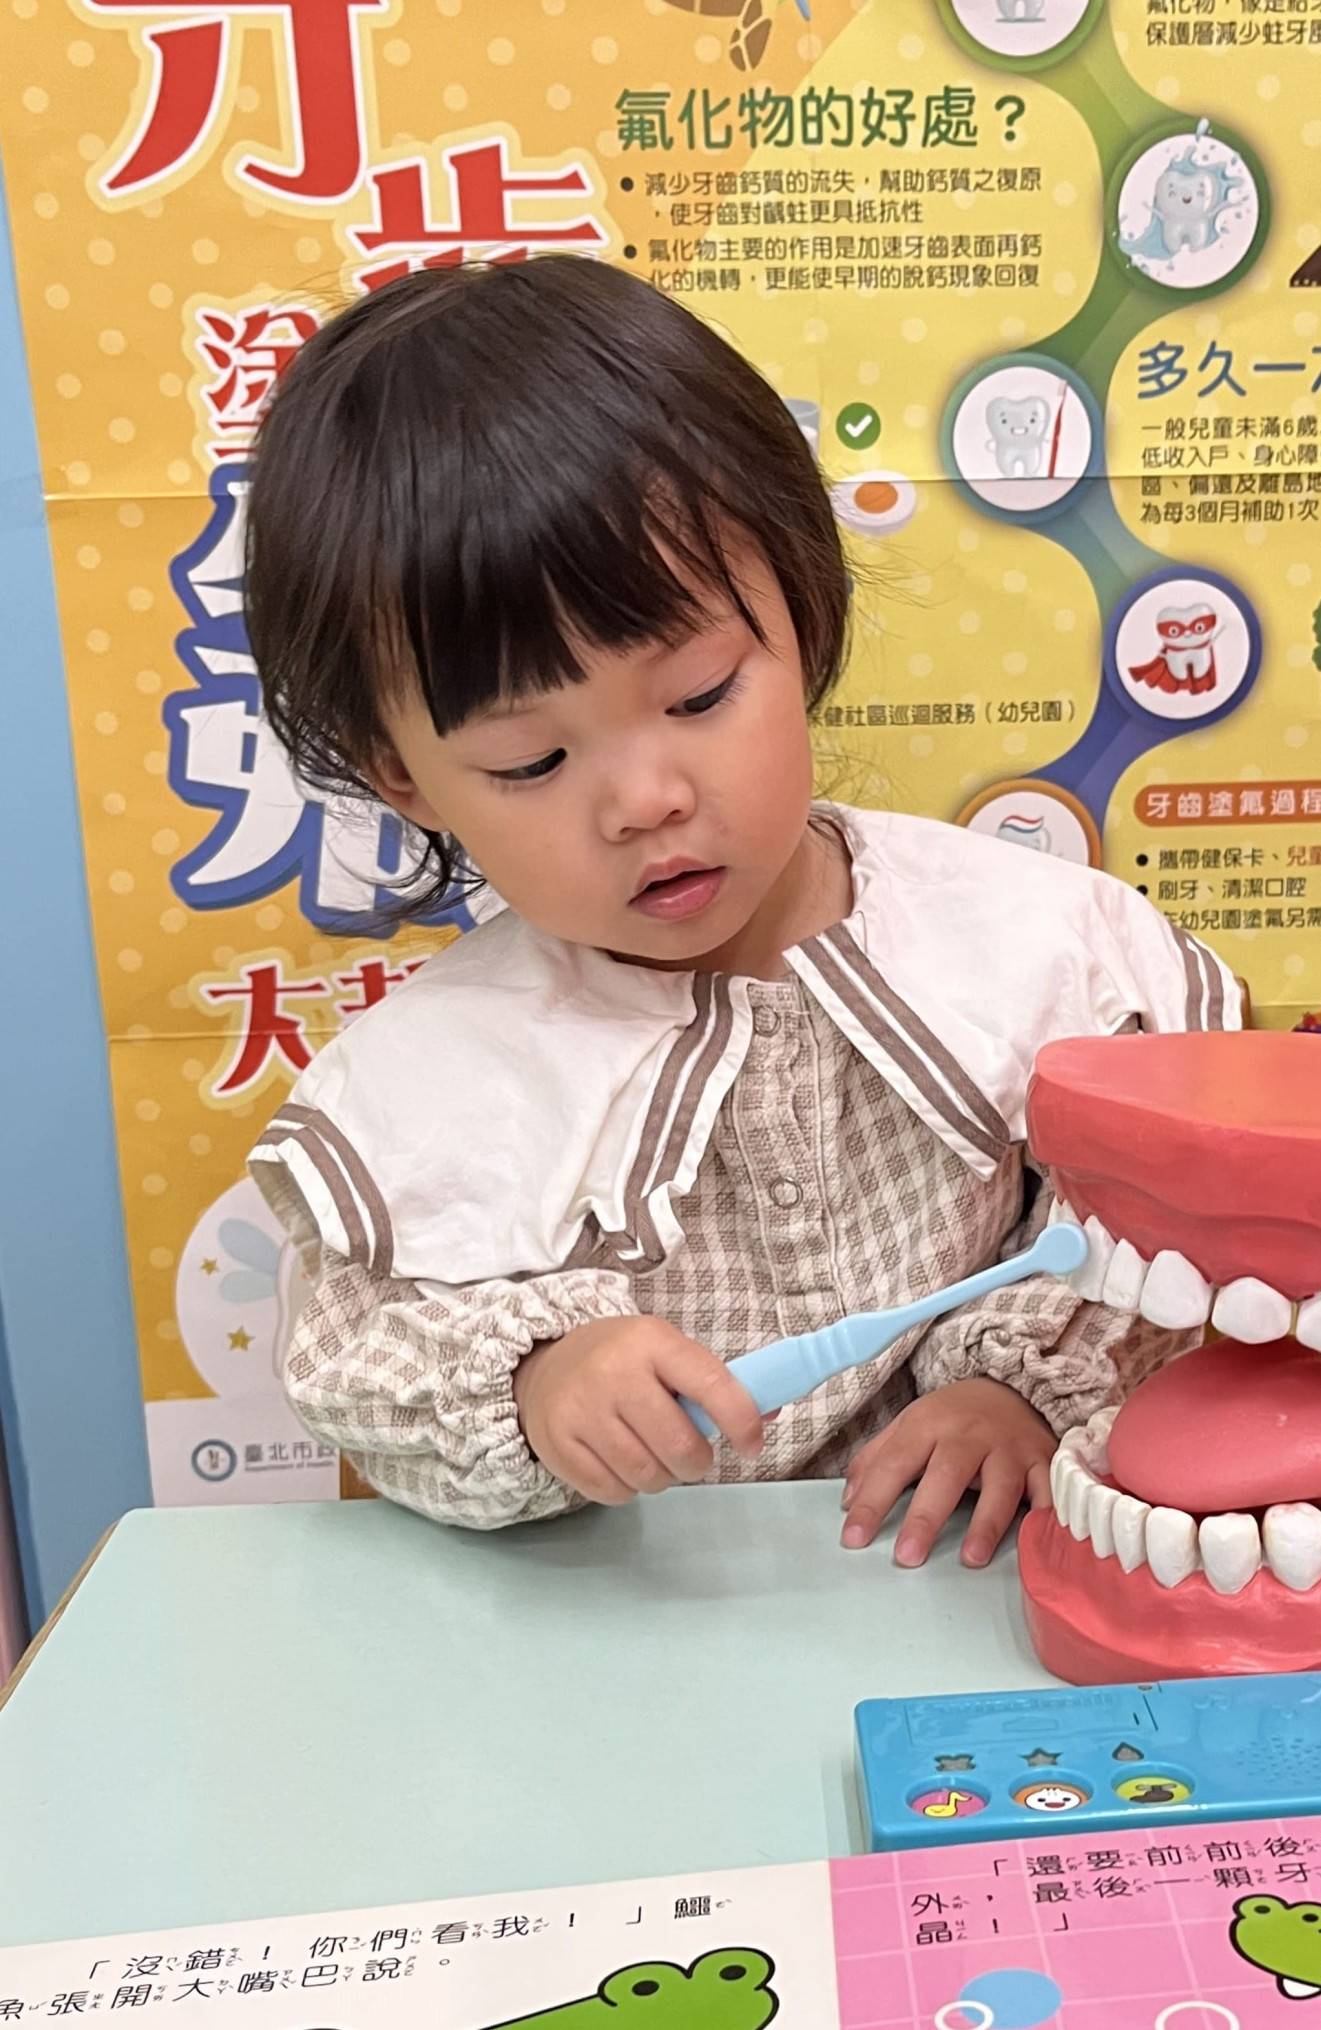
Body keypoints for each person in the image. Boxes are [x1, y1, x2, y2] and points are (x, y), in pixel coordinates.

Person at [242, 258, 1237, 1567]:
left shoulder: (1027, 942)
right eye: (532, 762)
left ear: (801, 606)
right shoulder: (445, 1074)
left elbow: (1161, 1209)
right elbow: (350, 1353)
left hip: (972, 1586)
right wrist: (535, 1386)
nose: (645, 799)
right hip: (630, 1627)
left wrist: (1023, 1392)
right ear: (404, 779)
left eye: (702, 693)